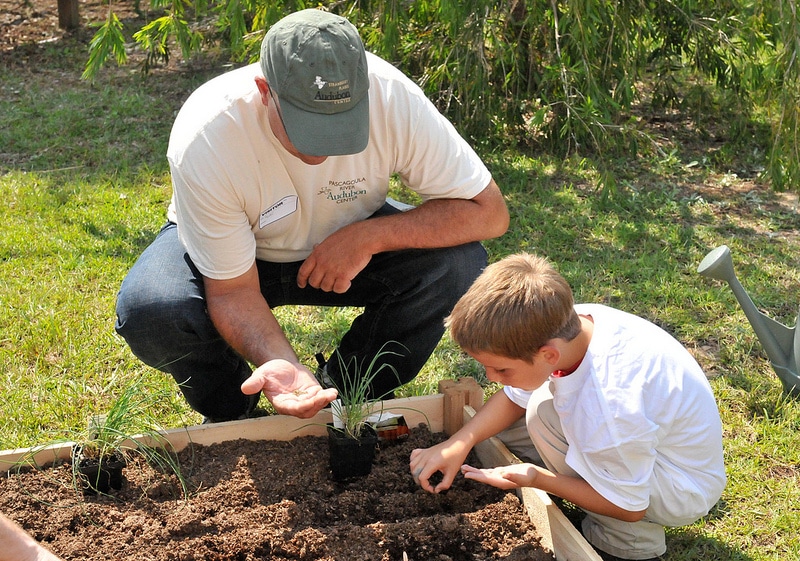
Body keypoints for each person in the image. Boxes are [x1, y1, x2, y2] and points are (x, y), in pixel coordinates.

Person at [114, 8, 509, 423]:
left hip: (344, 246)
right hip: (237, 263)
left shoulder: (392, 96)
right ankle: (235, 414)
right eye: (308, 129)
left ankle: (341, 396)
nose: (322, 150)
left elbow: (488, 213)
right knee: (152, 309)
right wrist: (282, 362)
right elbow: (232, 291)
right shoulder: (209, 134)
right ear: (265, 90)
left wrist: (368, 237)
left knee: (458, 263)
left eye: (340, 126)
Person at [409, 253, 726, 561]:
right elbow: (512, 399)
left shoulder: (609, 407)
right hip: (641, 443)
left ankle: (628, 544)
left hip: (677, 487)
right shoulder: (563, 324)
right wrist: (458, 443)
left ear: (548, 355)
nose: (491, 378)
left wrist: (537, 478)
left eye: (501, 369)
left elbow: (630, 506)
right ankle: (581, 479)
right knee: (536, 410)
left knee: (544, 416)